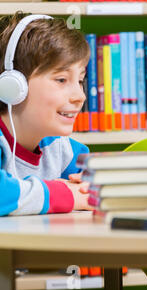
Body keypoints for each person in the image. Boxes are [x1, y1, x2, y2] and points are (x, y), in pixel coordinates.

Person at [0, 12, 92, 216]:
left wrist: (91, 184)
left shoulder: (58, 146)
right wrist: (64, 194)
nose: (80, 96)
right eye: (61, 80)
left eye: (80, 81)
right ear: (13, 86)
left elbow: (98, 178)